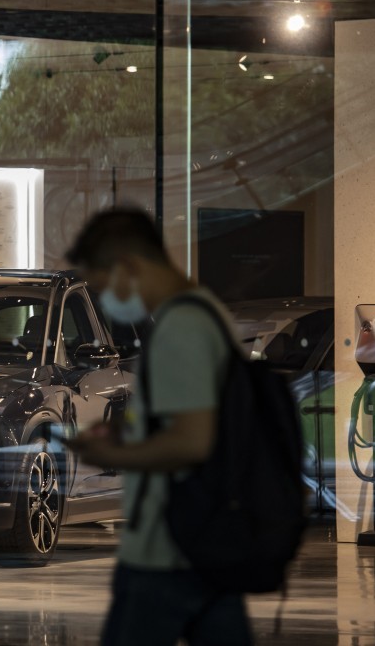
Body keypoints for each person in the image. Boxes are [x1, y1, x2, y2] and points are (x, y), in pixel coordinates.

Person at [63, 208, 253, 646]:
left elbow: (192, 441)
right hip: (200, 542)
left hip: (171, 549)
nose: (106, 300)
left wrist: (112, 456)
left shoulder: (183, 328)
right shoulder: (198, 318)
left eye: (105, 284)